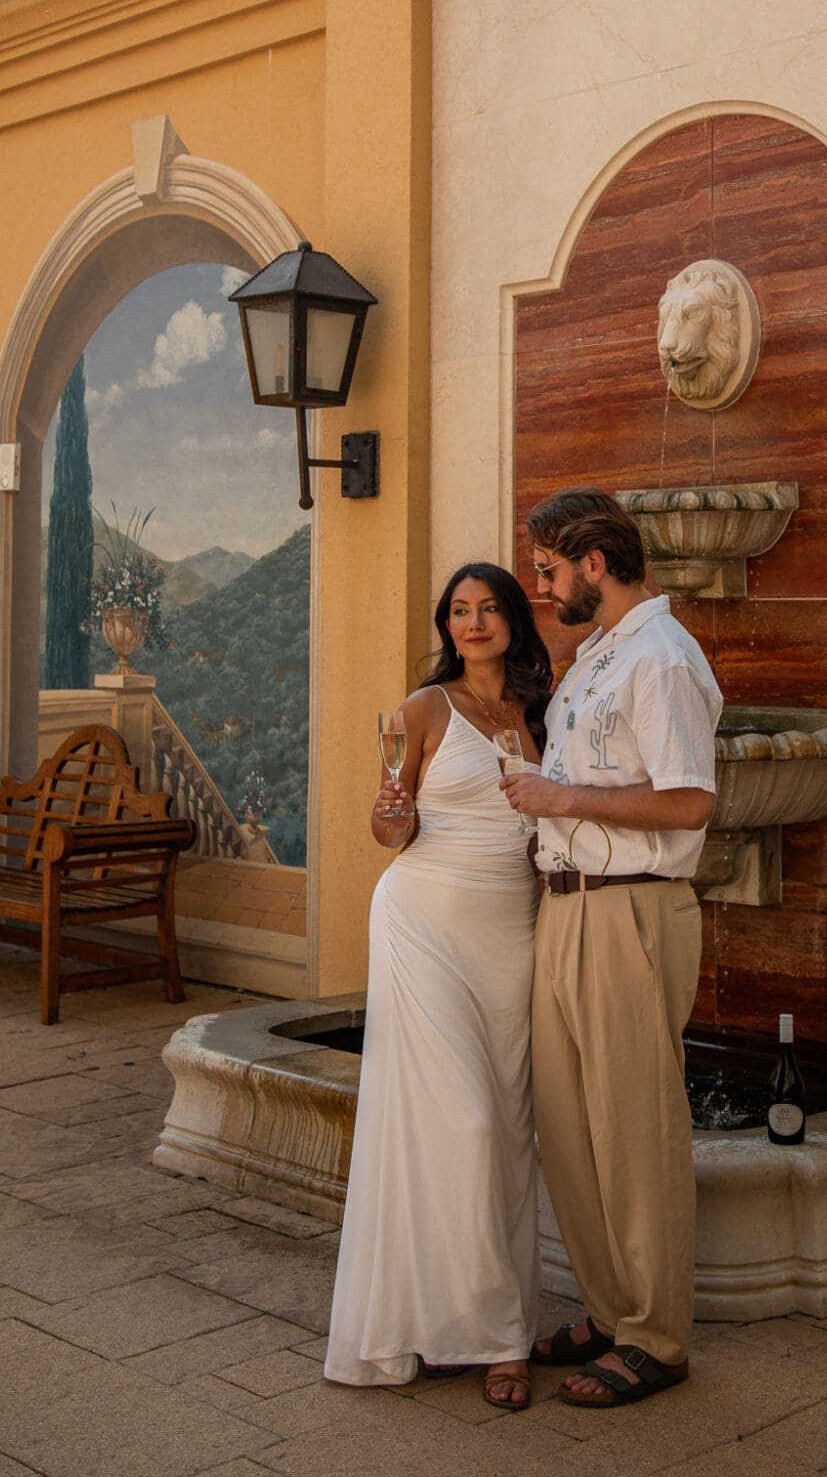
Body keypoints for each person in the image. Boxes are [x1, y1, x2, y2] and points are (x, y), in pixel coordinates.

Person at [499, 488, 722, 1410]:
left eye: (548, 570)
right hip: (565, 908)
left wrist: (561, 803)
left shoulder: (662, 659)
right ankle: (606, 1309)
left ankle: (657, 1337)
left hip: (630, 912)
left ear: (595, 562)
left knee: (633, 1130)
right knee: (569, 1124)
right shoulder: (598, 656)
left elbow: (688, 802)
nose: (539, 588)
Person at [324, 561, 552, 1411]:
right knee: (465, 1119)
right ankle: (499, 1343)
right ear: (445, 625)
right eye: (458, 611)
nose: (472, 622)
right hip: (421, 923)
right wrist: (392, 806)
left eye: (488, 608)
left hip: (512, 933)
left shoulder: (541, 712)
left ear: (511, 620)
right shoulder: (421, 710)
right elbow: (390, 829)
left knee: (507, 1126)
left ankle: (484, 1314)